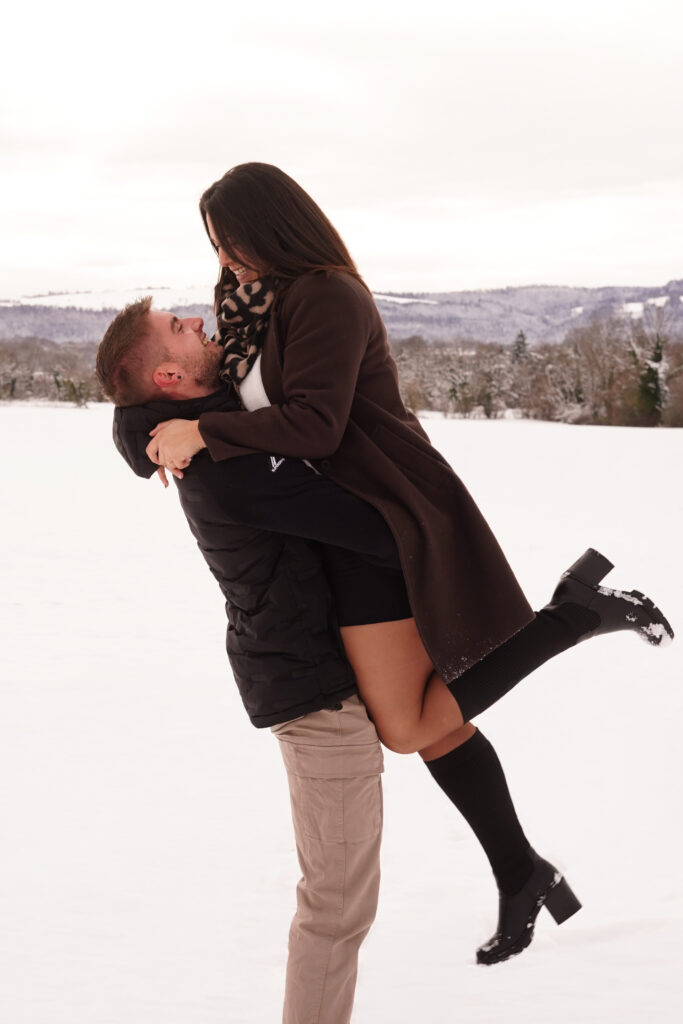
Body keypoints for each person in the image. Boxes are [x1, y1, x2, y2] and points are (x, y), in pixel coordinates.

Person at [143, 162, 673, 952]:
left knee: (405, 722)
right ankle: (520, 872)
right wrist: (149, 431)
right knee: (433, 721)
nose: (223, 261)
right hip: (331, 526)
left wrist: (203, 435)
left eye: (231, 243)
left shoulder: (326, 295)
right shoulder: (250, 309)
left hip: (380, 512)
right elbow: (192, 390)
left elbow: (315, 424)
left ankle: (573, 617)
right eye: (214, 247)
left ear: (271, 229)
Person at [99, 301, 578, 972]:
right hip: (318, 646)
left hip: (327, 619)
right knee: (421, 732)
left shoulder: (207, 414)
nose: (200, 321)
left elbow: (235, 394)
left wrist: (180, 427)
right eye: (178, 329)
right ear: (169, 378)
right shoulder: (221, 465)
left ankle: (521, 868)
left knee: (423, 729)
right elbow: (368, 527)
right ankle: (567, 630)